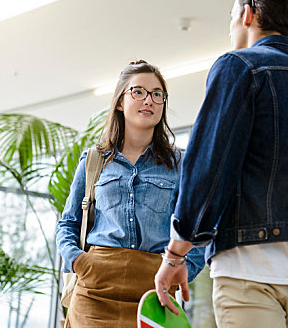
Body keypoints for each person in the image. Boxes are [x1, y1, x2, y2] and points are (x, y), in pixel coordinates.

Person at [154, 0, 288, 327]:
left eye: (231, 17)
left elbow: (208, 169)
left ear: (248, 14)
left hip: (249, 272)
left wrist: (175, 255)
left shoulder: (239, 67)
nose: (230, 27)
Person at [56, 60, 205, 327]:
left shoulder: (180, 165)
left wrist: (185, 269)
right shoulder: (94, 161)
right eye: (138, 92)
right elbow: (68, 223)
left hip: (155, 290)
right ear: (120, 102)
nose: (148, 100)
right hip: (95, 290)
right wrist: (79, 261)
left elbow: (198, 227)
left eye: (157, 94)